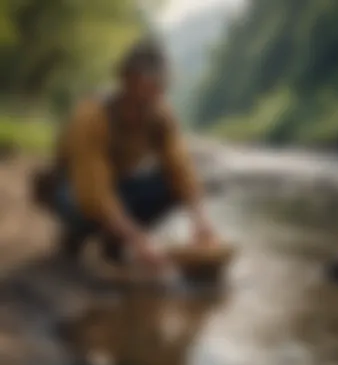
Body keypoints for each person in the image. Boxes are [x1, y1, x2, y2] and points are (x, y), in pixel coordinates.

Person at [51, 39, 217, 267]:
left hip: (118, 184)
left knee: (170, 183)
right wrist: (139, 239)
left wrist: (201, 221)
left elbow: (181, 168)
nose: (154, 94)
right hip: (75, 188)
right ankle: (77, 234)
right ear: (126, 80)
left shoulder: (160, 116)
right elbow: (94, 193)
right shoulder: (91, 116)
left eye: (160, 86)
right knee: (80, 205)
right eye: (148, 85)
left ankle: (115, 240)